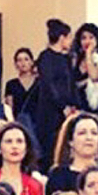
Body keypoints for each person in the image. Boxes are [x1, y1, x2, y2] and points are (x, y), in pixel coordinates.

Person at [32, 19, 77, 164]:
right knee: (50, 147)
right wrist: (62, 105)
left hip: (67, 109)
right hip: (50, 110)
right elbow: (49, 83)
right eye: (69, 37)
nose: (71, 41)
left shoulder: (66, 58)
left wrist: (74, 104)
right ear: (62, 37)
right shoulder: (45, 57)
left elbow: (71, 83)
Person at [4, 47, 38, 121]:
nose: (23, 63)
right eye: (19, 60)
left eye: (26, 59)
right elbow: (9, 107)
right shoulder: (11, 84)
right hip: (19, 122)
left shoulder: (39, 83)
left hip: (38, 123)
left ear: (32, 62)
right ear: (16, 64)